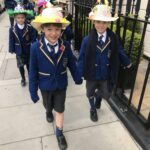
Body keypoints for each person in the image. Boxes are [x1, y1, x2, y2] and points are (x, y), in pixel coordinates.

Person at [29, 7, 82, 150]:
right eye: (49, 29)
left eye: (57, 29)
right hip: (45, 86)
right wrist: (33, 91)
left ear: (61, 30)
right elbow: (33, 72)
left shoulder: (65, 46)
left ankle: (59, 133)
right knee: (48, 105)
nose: (53, 33)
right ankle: (47, 111)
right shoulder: (35, 48)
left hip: (60, 85)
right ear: (42, 29)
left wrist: (77, 77)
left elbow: (72, 63)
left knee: (59, 109)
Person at [77, 2, 131, 122]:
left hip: (106, 73)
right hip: (91, 73)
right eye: (98, 21)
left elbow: (119, 51)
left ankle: (99, 97)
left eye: (104, 22)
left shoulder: (113, 38)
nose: (101, 25)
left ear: (108, 23)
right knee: (90, 92)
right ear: (93, 22)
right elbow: (81, 58)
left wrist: (127, 61)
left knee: (106, 93)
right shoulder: (87, 40)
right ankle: (92, 108)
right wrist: (78, 74)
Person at [8, 4, 37, 86]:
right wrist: (11, 48)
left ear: (25, 17)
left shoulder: (29, 27)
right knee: (20, 66)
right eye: (18, 18)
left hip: (28, 50)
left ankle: (30, 78)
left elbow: (34, 38)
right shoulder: (12, 29)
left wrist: (33, 46)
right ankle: (23, 78)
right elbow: (11, 39)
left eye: (22, 17)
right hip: (19, 51)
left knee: (29, 66)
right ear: (15, 18)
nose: (20, 19)